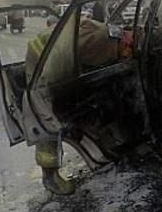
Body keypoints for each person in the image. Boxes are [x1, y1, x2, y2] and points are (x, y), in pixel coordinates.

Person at [24, 15, 133, 195]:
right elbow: (68, 55)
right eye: (128, 52)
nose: (127, 57)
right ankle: (50, 176)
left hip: (58, 57)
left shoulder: (109, 38)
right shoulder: (100, 41)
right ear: (124, 43)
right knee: (48, 117)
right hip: (41, 61)